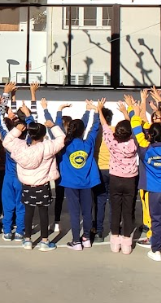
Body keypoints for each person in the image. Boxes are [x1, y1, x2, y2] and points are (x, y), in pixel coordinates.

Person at [3, 118, 65, 252]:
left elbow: (6, 141)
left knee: (28, 212)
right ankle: (44, 241)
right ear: (43, 135)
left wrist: (17, 130)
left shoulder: (20, 147)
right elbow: (61, 139)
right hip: (42, 185)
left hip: (26, 185)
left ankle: (27, 240)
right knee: (43, 212)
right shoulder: (47, 147)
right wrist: (53, 126)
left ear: (30, 134)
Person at [130, 97, 161, 262]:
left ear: (150, 135)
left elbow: (137, 130)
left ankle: (156, 251)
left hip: (154, 191)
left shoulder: (145, 149)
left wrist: (135, 113)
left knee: (156, 221)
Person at [57, 98, 102, 251]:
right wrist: (94, 111)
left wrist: (59, 111)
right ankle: (87, 238)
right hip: (87, 182)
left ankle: (76, 241)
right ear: (83, 131)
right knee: (87, 211)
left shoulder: (65, 143)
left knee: (75, 213)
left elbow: (57, 128)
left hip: (70, 183)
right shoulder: (88, 143)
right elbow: (95, 127)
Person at [0, 90, 31, 242]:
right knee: (21, 206)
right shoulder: (29, 141)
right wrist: (28, 115)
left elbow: (0, 122)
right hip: (22, 177)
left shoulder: (8, 140)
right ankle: (20, 232)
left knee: (8, 205)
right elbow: (33, 125)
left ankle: (7, 231)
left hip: (8, 177)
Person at [106, 100, 139, 254]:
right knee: (127, 211)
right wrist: (127, 112)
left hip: (115, 178)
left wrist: (100, 110)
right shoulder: (134, 142)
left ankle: (115, 241)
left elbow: (105, 126)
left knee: (115, 210)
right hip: (130, 179)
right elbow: (134, 128)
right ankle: (126, 243)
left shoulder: (112, 142)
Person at [93, 106, 113, 242]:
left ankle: (99, 231)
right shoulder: (115, 130)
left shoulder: (94, 132)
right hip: (113, 170)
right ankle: (115, 230)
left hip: (99, 170)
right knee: (113, 202)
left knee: (99, 201)